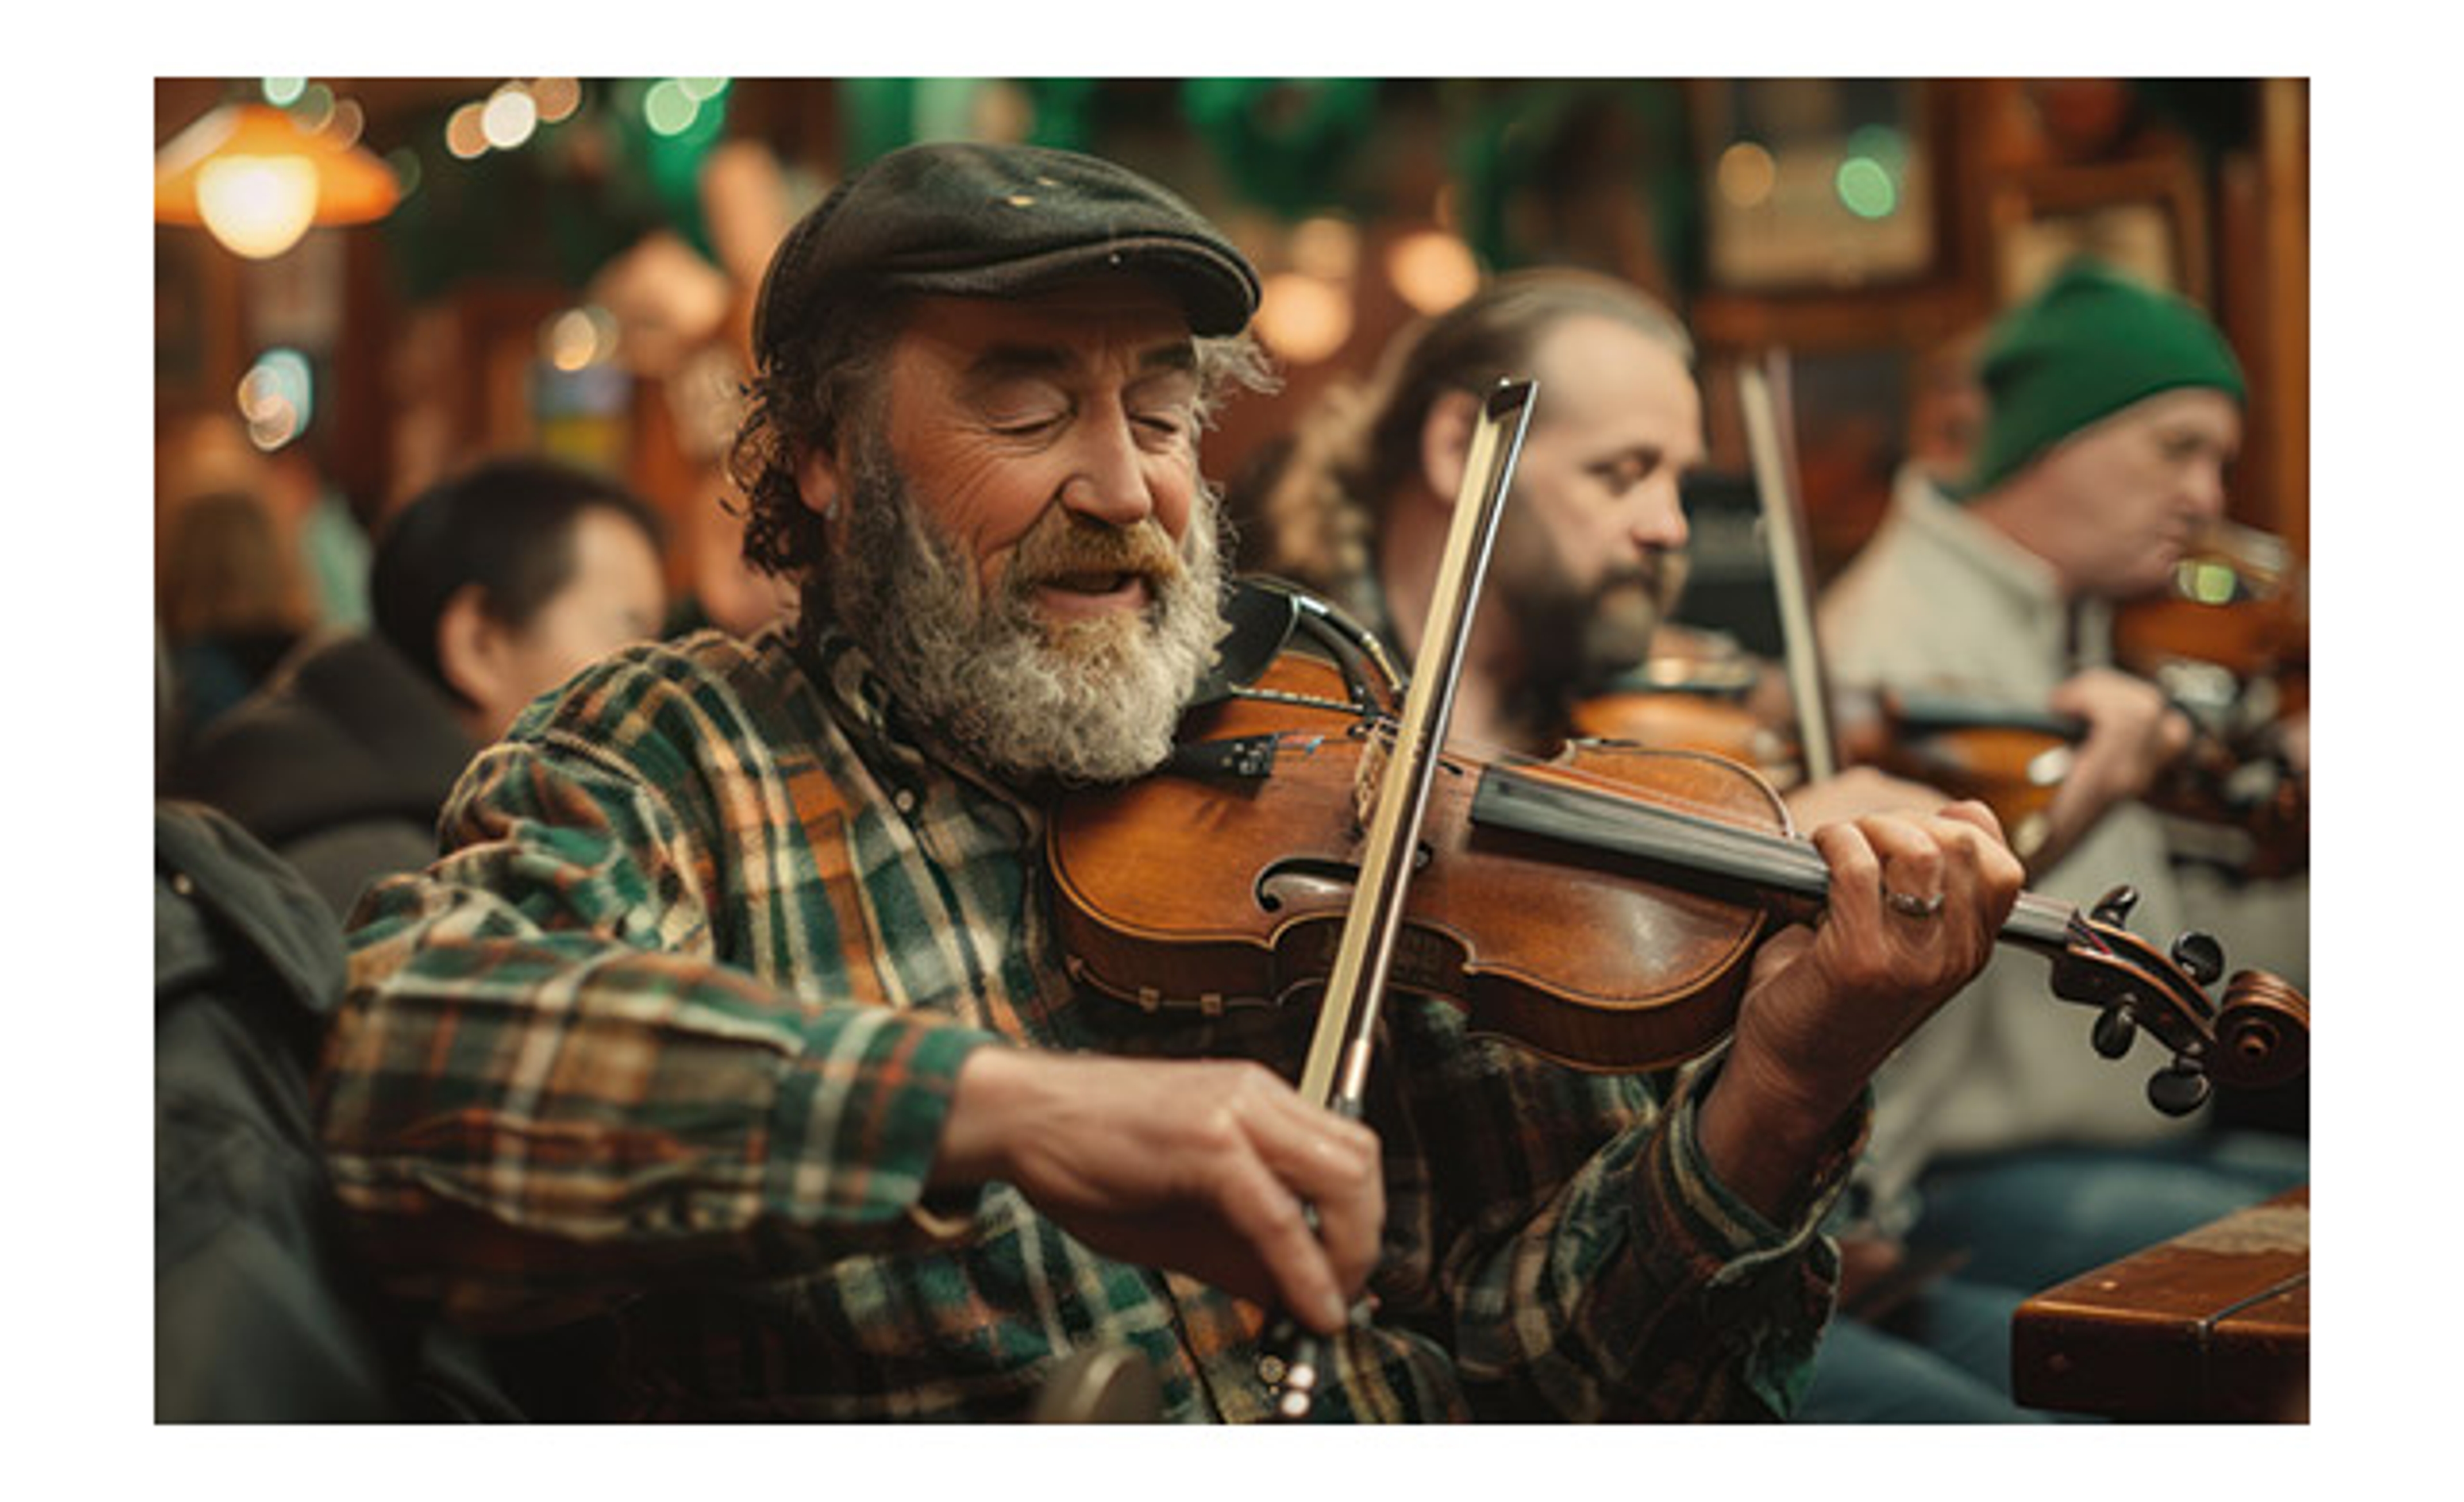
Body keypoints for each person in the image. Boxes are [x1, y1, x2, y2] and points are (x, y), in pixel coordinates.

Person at [316, 141, 2020, 1422]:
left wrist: (1782, 1086)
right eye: (1031, 400)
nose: (1125, 484)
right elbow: (419, 1083)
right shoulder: (666, 755)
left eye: (1161, 408)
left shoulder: (1344, 716)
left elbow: (1553, 1363)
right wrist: (1013, 1112)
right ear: (825, 457)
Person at [1250, 267, 2072, 1420]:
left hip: (1748, 1285)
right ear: (1457, 449)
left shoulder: (1614, 723)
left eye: (1680, 478)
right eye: (1622, 473)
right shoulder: (1297, 743)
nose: (1671, 525)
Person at [1814, 259, 2308, 1389]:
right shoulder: (1905, 647)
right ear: (2050, 437)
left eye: (2219, 457)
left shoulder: (2066, 623)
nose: (2207, 496)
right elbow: (1897, 957)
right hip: (1964, 1181)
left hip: (2133, 1139)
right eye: (2174, 446)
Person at [171, 456, 668, 918]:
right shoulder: (397, 880)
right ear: (479, 643)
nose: (660, 680)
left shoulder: (295, 768)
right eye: (629, 632)